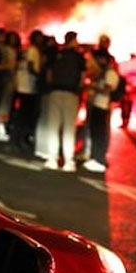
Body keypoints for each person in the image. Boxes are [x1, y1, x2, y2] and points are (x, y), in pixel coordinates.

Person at [43, 32, 86, 171]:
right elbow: (82, 77)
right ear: (74, 40)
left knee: (53, 127)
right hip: (71, 94)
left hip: (55, 92)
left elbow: (49, 73)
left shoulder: (56, 54)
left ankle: (52, 159)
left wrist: (50, 86)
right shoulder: (79, 57)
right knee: (69, 129)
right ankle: (69, 161)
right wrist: (79, 91)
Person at [84, 37, 119, 173]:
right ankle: (94, 157)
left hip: (102, 106)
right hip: (97, 105)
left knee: (100, 133)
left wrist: (94, 89)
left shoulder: (110, 73)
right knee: (95, 132)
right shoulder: (103, 73)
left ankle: (99, 159)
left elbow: (108, 89)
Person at [11, 30, 43, 155]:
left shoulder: (30, 50)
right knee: (23, 115)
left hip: (25, 86)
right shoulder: (33, 51)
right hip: (27, 87)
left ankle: (18, 140)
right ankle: (16, 140)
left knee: (23, 115)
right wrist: (40, 76)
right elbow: (30, 67)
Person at [0, 31, 20, 141]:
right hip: (4, 77)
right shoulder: (4, 50)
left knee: (6, 104)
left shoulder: (16, 51)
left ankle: (1, 124)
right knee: (0, 102)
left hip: (11, 78)